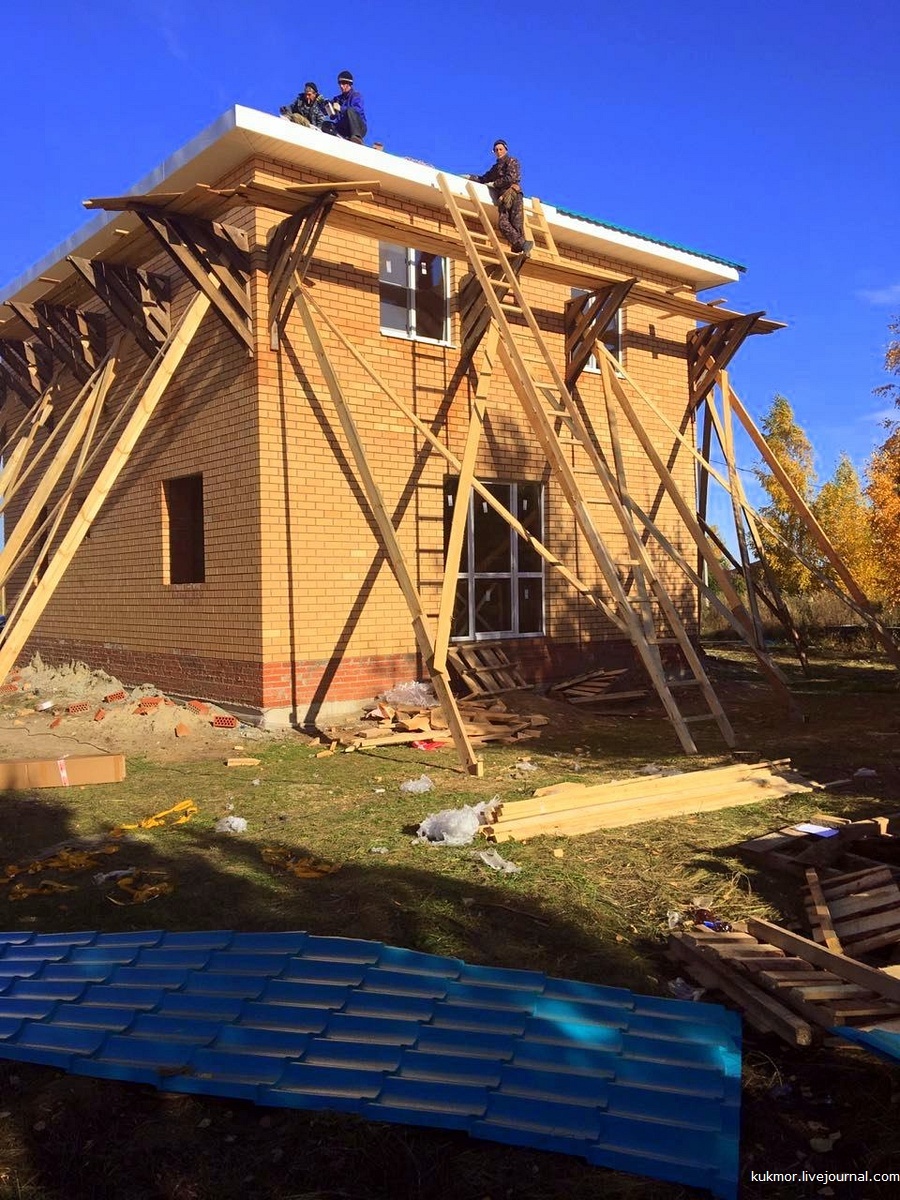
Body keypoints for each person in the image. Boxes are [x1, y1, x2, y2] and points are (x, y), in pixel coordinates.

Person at [468, 140, 533, 256]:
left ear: (506, 150)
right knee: (503, 223)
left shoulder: (511, 161)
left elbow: (511, 178)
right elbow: (484, 178)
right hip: (503, 198)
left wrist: (495, 184)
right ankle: (522, 244)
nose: (498, 152)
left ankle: (520, 247)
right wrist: (471, 177)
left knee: (515, 222)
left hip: (513, 195)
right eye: (496, 150)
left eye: (500, 149)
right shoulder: (495, 168)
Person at [322, 71, 367, 144]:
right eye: (340, 84)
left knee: (350, 110)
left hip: (359, 127)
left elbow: (357, 110)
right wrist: (325, 106)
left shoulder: (356, 96)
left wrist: (341, 109)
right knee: (326, 124)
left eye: (343, 83)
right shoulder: (337, 99)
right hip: (344, 128)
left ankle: (357, 138)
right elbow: (325, 112)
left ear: (349, 84)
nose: (341, 86)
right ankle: (338, 137)